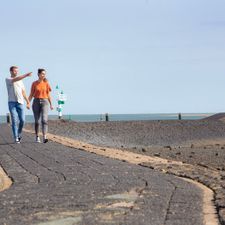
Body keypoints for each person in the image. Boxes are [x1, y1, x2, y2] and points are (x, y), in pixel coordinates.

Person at [6, 66, 32, 143]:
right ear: (11, 71)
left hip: (20, 103)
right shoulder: (8, 79)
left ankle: (19, 134)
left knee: (22, 120)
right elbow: (15, 79)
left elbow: (23, 92)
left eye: (17, 71)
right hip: (12, 103)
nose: (16, 72)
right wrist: (26, 75)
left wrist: (28, 102)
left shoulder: (20, 81)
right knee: (14, 120)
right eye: (14, 71)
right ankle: (16, 137)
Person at [29, 68, 53, 143]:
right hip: (36, 101)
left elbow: (48, 94)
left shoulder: (46, 83)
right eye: (42, 74)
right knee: (37, 121)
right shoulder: (34, 83)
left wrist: (51, 104)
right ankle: (37, 136)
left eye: (44, 74)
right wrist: (28, 102)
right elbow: (31, 94)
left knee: (44, 120)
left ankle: (45, 136)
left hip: (45, 102)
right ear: (38, 74)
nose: (43, 75)